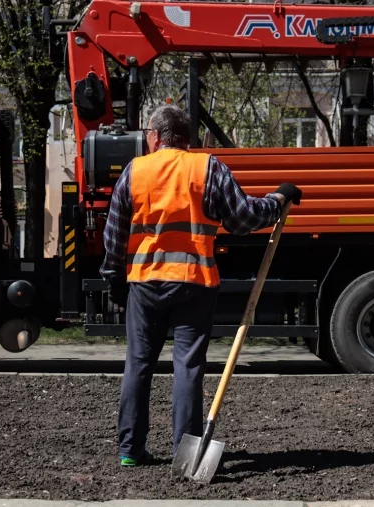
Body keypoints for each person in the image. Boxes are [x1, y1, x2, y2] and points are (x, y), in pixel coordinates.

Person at [100, 104, 302, 467]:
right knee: (188, 368)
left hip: (145, 284)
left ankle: (130, 449)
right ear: (186, 138)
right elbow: (244, 219)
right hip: (194, 284)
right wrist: (279, 198)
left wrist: (112, 274)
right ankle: (184, 451)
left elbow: (113, 235)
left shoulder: (135, 171)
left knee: (138, 364)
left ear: (156, 137)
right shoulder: (207, 168)